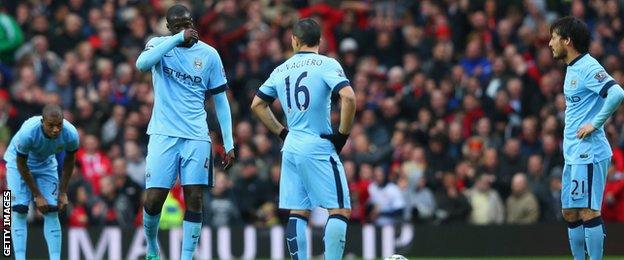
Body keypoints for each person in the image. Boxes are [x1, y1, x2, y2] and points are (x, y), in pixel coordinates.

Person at [135, 4, 235, 260]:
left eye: (188, 24)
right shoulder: (158, 45)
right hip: (163, 134)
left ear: (194, 23)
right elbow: (141, 64)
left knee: (195, 198)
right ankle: (152, 246)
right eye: (178, 26)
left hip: (196, 136)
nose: (186, 30)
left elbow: (220, 101)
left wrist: (229, 141)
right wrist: (176, 40)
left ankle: (186, 256)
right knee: (154, 199)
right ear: (169, 29)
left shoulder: (209, 55)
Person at [251, 18, 356, 260]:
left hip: (291, 147)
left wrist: (281, 132)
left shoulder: (281, 69)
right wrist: (342, 135)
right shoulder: (327, 64)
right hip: (317, 145)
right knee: (339, 210)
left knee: (298, 211)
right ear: (320, 41)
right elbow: (349, 97)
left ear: (294, 41)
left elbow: (258, 104)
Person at [549, 16, 624, 260]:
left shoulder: (588, 67)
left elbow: (616, 93)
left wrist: (596, 123)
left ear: (567, 41)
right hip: (574, 153)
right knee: (570, 211)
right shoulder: (573, 68)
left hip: (589, 152)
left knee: (588, 211)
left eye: (554, 37)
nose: (550, 43)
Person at [4, 104, 79, 260]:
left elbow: (69, 162)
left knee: (52, 210)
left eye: (59, 125)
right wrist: (37, 195)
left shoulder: (71, 134)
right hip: (18, 164)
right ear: (42, 122)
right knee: (20, 209)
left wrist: (63, 192)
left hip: (46, 164)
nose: (56, 129)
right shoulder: (28, 133)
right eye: (51, 125)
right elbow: (22, 165)